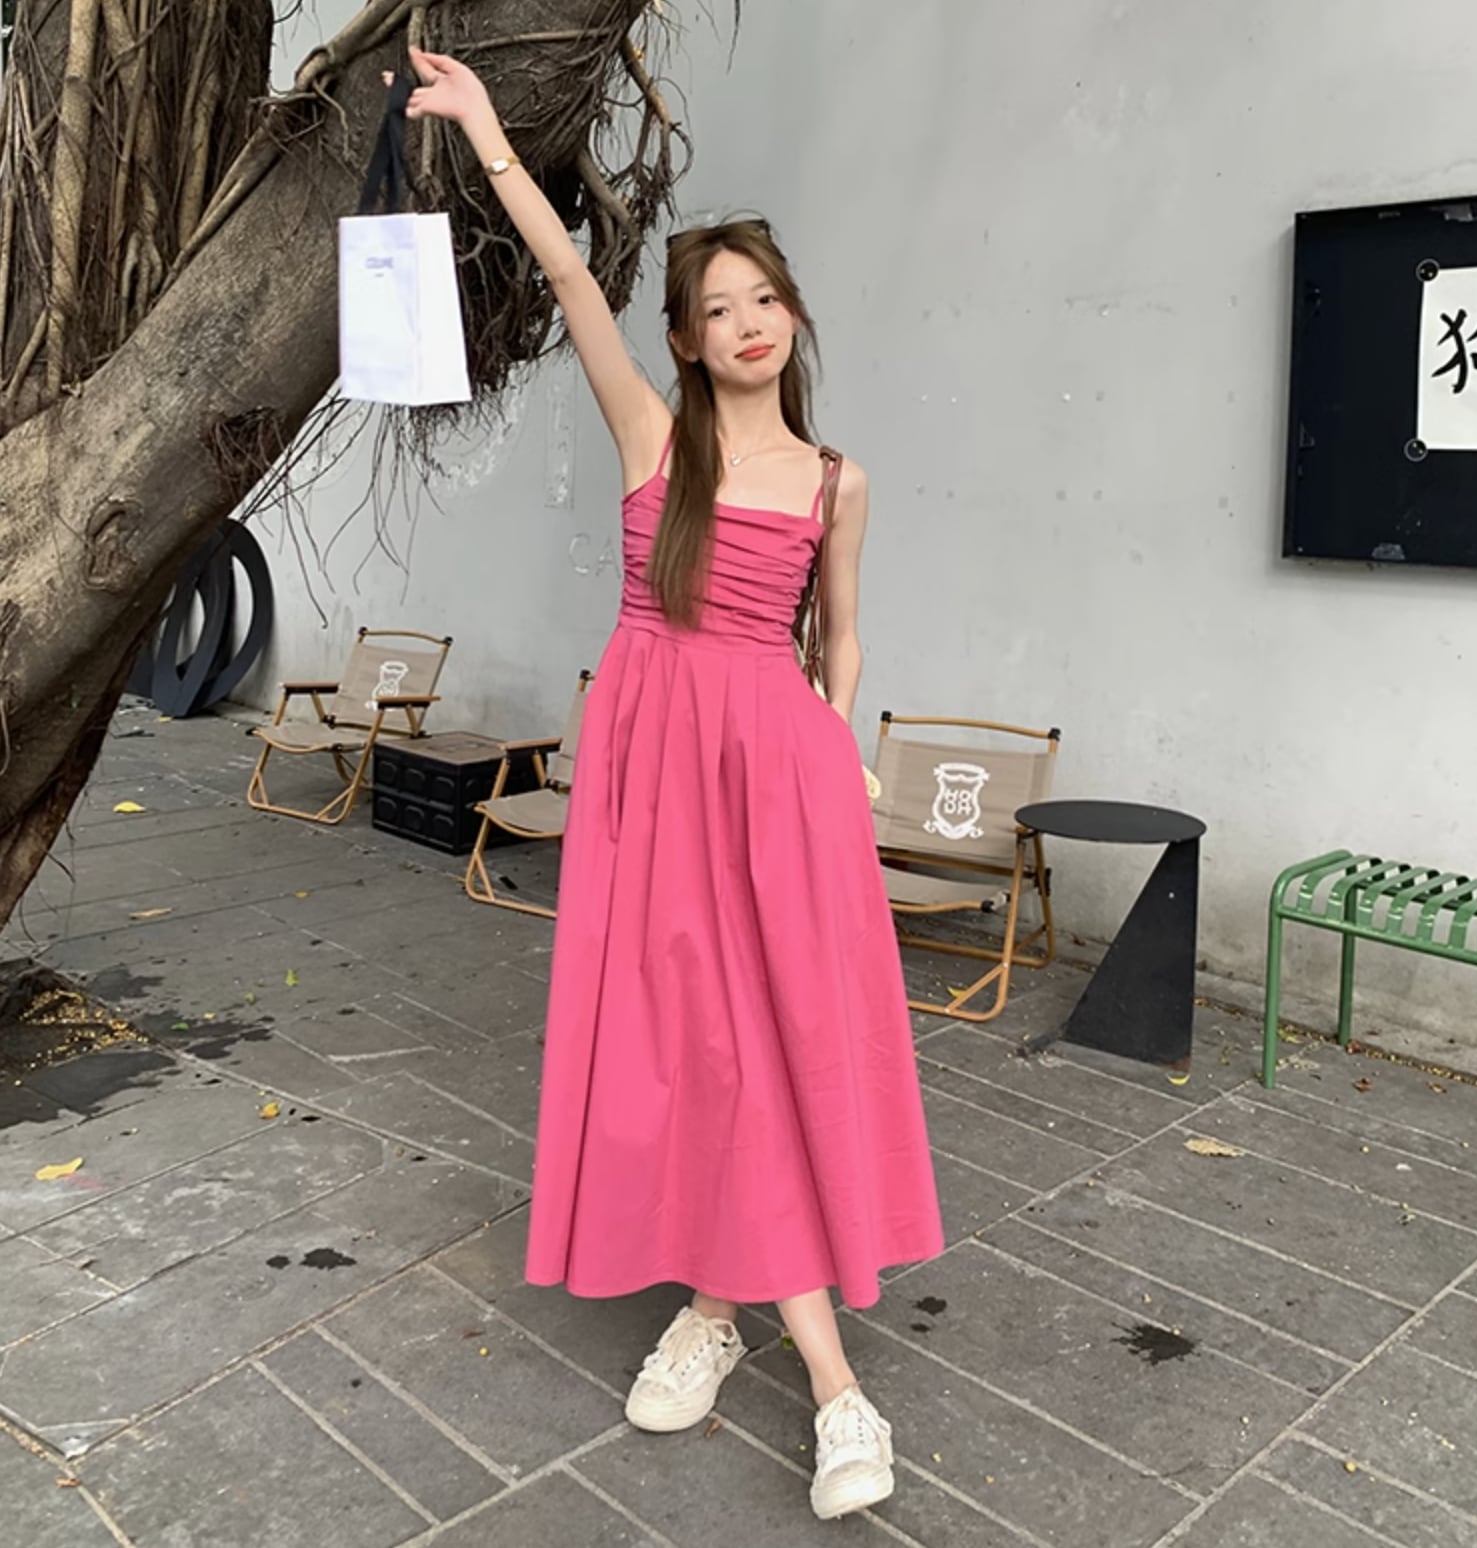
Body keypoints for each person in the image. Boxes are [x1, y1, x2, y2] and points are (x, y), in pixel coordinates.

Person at [401, 47, 945, 1522]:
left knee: (759, 1044)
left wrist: (830, 749)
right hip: (654, 786)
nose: (748, 323)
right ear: (688, 343)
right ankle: (734, 1319)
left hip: (781, 790)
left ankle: (807, 1370)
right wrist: (490, 134)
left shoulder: (837, 482)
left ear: (793, 317)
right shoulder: (655, 438)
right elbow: (569, 277)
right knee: (698, 1041)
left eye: (766, 299)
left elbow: (840, 640)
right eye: (718, 309)